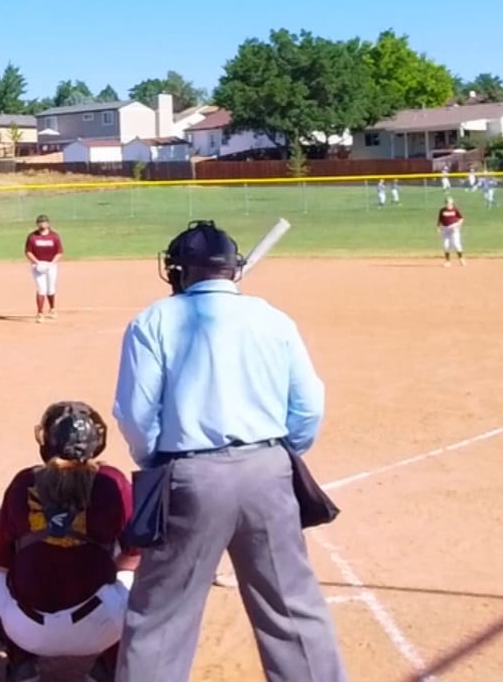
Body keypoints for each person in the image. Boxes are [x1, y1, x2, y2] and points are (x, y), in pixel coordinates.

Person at [111, 221, 343, 682]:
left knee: (161, 617)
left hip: (189, 475)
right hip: (269, 470)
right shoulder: (274, 319)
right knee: (293, 609)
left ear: (178, 271)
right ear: (233, 269)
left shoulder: (153, 321)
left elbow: (136, 416)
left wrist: (159, 462)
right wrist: (282, 454)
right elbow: (309, 404)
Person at [0, 401, 139, 682]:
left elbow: (2, 562)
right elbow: (135, 553)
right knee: (137, 566)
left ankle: (21, 663)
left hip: (27, 631)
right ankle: (108, 667)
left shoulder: (23, 482)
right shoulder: (112, 481)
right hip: (102, 629)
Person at [25, 214, 63, 323]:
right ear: (37, 224)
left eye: (44, 222)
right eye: (40, 222)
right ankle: (40, 313)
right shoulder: (32, 237)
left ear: (48, 223)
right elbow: (28, 252)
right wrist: (37, 262)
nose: (42, 224)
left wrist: (52, 263)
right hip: (37, 266)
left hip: (51, 265)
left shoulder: (54, 236)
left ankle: (52, 308)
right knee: (41, 288)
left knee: (50, 288)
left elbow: (59, 252)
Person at [438, 197, 466, 266]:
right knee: (446, 245)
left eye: (450, 203)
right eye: (447, 203)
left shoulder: (455, 209)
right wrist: (438, 227)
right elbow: (440, 219)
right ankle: (447, 261)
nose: (448, 204)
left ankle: (461, 259)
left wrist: (458, 225)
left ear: (452, 203)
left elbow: (461, 218)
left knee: (456, 244)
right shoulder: (442, 210)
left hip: (454, 229)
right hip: (445, 229)